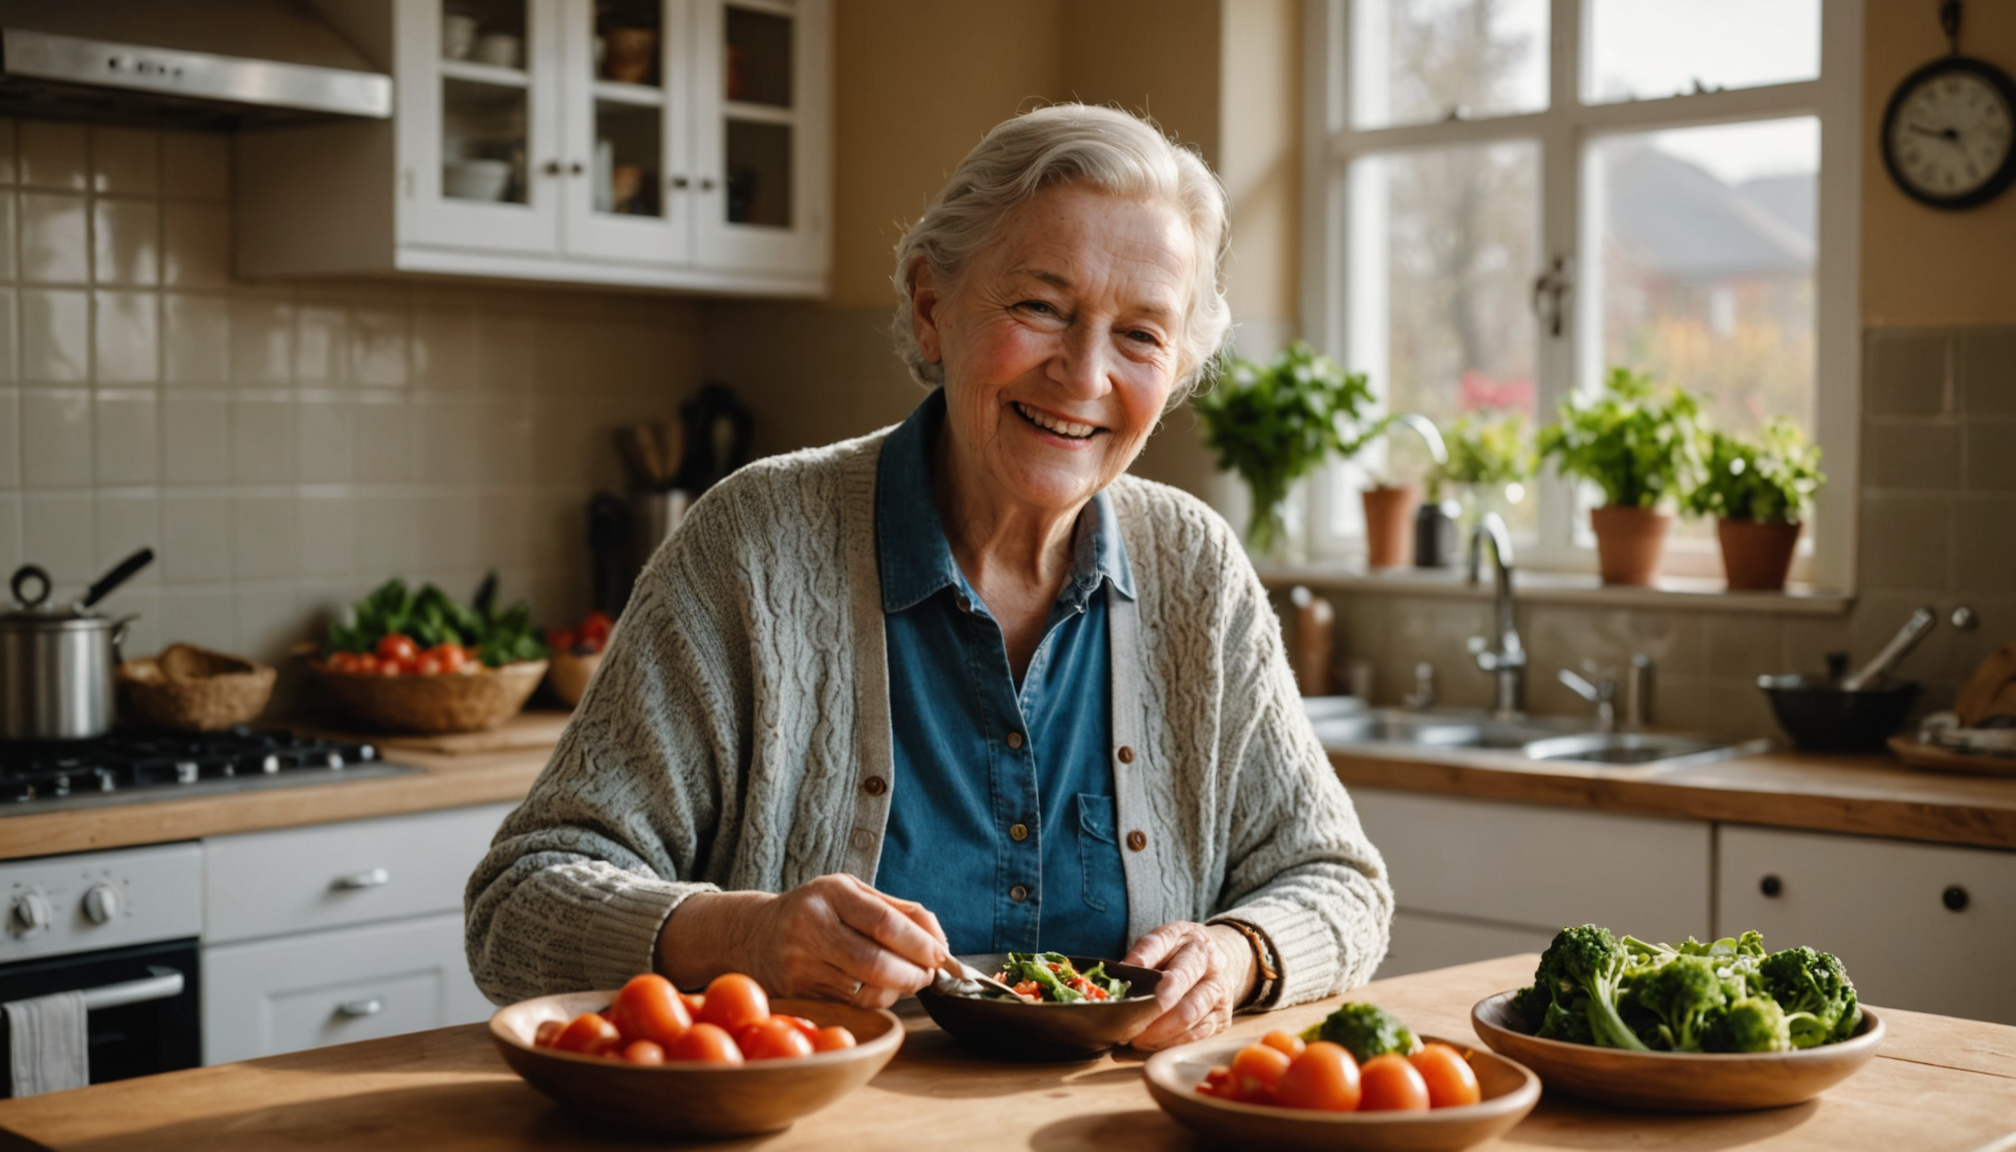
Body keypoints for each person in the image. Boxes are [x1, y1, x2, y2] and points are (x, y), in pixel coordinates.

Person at [466, 104, 1392, 1050]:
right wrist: (745, 937)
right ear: (930, 306)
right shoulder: (754, 546)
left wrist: (1235, 955)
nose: (1083, 375)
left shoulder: (1195, 570)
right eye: (1040, 307)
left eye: (1141, 335)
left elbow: (1339, 883)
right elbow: (519, 906)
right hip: (810, 1119)